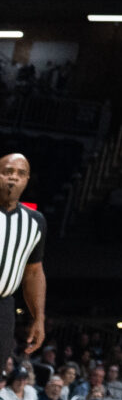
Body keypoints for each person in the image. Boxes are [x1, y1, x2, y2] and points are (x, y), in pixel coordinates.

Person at [0, 153, 45, 357]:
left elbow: (34, 272)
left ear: (27, 180)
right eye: (7, 172)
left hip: (4, 306)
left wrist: (38, 318)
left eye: (21, 173)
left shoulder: (35, 222)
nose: (14, 177)